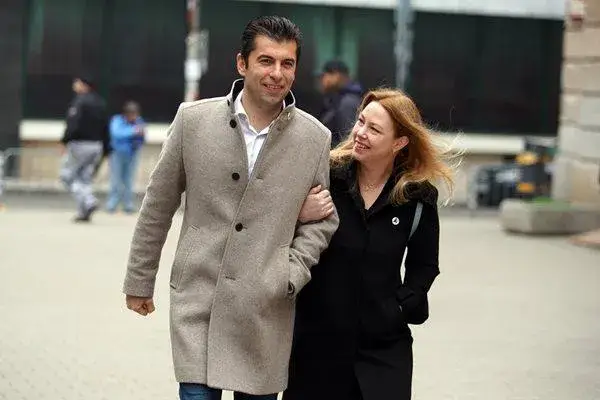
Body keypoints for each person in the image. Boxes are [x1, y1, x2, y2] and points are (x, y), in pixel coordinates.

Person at [122, 16, 339, 400]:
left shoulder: (315, 138)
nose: (277, 73)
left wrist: (290, 273)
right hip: (198, 301)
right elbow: (157, 206)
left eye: (287, 63)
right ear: (242, 63)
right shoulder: (193, 120)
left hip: (264, 309)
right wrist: (140, 281)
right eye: (266, 61)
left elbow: (322, 220)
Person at [284, 88, 455, 400]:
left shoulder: (417, 197)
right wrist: (299, 212)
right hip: (317, 346)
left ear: (399, 143)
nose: (360, 133)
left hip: (383, 349)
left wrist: (400, 306)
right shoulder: (327, 177)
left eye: (374, 129)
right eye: (361, 122)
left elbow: (425, 265)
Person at [59, 74, 110, 222]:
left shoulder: (80, 102)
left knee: (68, 176)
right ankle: (84, 212)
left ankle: (89, 201)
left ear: (84, 85)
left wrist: (64, 140)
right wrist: (106, 148)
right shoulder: (100, 103)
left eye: (77, 82)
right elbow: (106, 127)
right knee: (84, 179)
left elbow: (73, 124)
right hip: (97, 145)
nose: (74, 85)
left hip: (80, 145)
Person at [106, 101, 145, 213]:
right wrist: (133, 131)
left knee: (129, 180)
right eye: (132, 114)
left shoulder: (139, 121)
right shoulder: (117, 120)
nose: (134, 117)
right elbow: (116, 134)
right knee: (116, 179)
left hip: (132, 154)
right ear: (126, 114)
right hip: (117, 154)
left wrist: (137, 134)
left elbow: (142, 134)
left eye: (135, 114)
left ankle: (128, 204)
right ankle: (112, 204)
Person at [318, 60, 363, 148]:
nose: (322, 80)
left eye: (323, 76)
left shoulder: (348, 102)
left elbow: (347, 141)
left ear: (336, 75)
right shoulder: (336, 98)